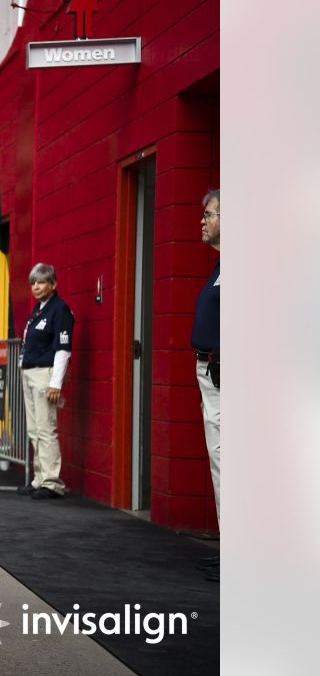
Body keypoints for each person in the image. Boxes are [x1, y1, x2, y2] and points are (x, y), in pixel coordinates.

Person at [18, 263, 74, 500]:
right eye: (33, 283)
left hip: (45, 375)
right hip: (29, 372)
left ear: (53, 284)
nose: (36, 287)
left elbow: (63, 349)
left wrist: (56, 383)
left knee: (46, 429)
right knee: (34, 430)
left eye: (41, 282)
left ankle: (52, 483)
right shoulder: (39, 310)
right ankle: (39, 478)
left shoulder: (59, 310)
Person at [192, 189, 220, 582]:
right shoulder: (219, 267)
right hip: (210, 374)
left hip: (225, 374)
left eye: (210, 214)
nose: (203, 219)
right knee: (220, 464)